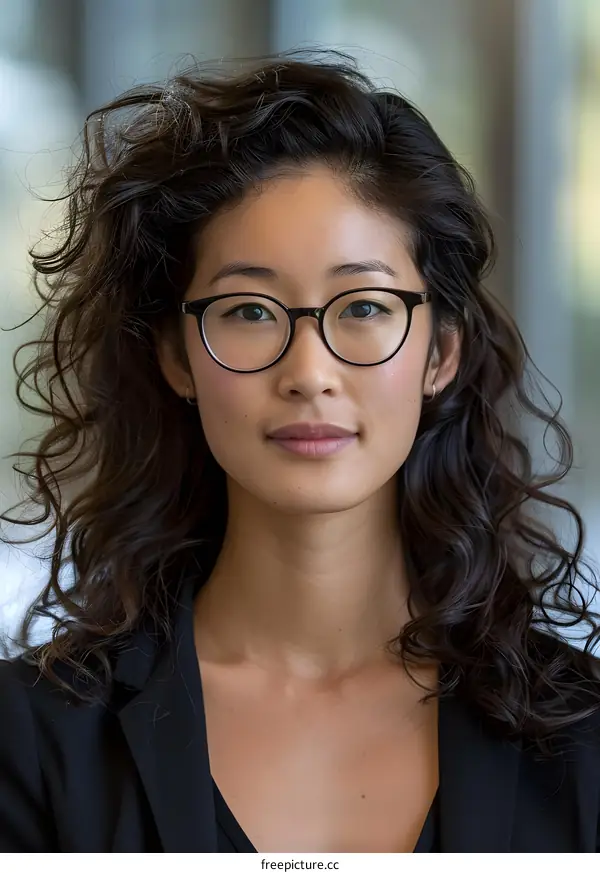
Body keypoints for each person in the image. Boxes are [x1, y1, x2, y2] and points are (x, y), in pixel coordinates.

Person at [1, 51, 600, 854]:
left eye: (362, 305)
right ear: (177, 357)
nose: (309, 373)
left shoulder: (583, 733)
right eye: (249, 310)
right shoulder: (33, 740)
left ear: (439, 352)